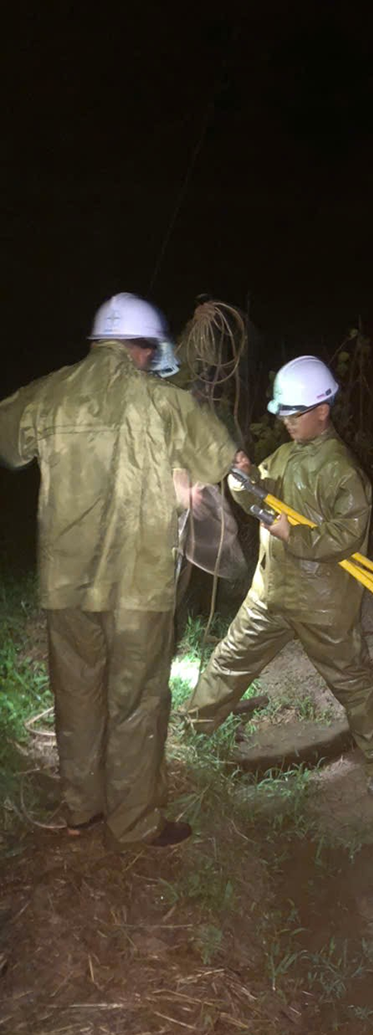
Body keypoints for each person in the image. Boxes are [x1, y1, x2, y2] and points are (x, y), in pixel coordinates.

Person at [0, 293, 242, 849]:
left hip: (67, 582)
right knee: (136, 702)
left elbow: (10, 444)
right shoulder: (165, 402)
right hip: (139, 585)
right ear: (143, 349)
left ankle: (81, 808)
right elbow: (217, 461)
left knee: (77, 692)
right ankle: (133, 824)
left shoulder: (50, 392)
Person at [184, 355, 373, 795]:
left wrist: (292, 534)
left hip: (323, 603)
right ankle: (189, 735)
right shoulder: (282, 457)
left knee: (353, 680)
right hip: (271, 593)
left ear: (323, 410)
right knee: (228, 661)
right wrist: (243, 479)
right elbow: (256, 504)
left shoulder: (343, 470)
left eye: (294, 413)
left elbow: (345, 537)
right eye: (282, 413)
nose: (286, 422)